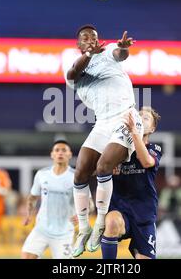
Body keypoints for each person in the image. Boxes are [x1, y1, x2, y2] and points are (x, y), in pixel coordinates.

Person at [63, 24, 142, 257]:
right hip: (103, 122)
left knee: (103, 167)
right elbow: (73, 73)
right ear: (78, 45)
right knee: (80, 173)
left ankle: (100, 224)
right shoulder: (75, 70)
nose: (91, 40)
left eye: (94, 37)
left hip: (125, 117)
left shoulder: (107, 54)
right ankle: (84, 229)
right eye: (85, 38)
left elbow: (120, 53)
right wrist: (88, 53)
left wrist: (123, 48)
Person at [100, 107, 162, 259]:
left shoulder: (154, 148)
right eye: (139, 116)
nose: (141, 118)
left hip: (144, 215)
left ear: (152, 129)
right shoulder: (116, 148)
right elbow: (97, 169)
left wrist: (135, 133)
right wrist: (108, 166)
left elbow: (146, 162)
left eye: (146, 118)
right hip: (120, 209)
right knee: (113, 222)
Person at [21, 140, 84, 259]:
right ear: (52, 154)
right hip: (41, 229)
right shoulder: (42, 174)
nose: (60, 153)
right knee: (26, 257)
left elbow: (88, 202)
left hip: (64, 232)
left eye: (64, 150)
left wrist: (82, 215)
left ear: (70, 155)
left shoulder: (76, 177)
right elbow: (33, 197)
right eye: (57, 150)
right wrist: (29, 214)